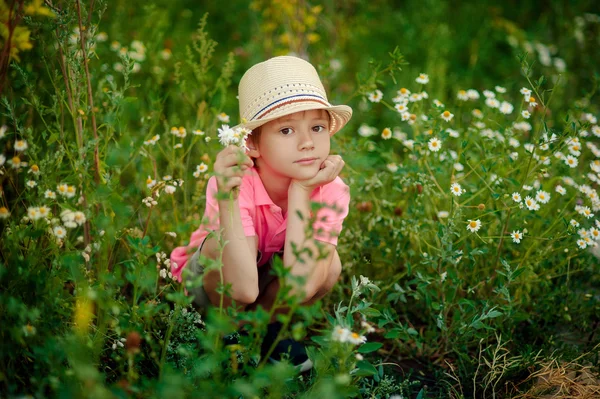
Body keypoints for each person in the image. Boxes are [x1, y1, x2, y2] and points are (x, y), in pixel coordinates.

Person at [170, 55, 352, 371]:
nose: (308, 142)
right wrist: (226, 196)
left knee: (329, 262)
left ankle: (270, 331)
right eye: (286, 131)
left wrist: (301, 193)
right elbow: (239, 288)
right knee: (218, 245)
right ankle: (225, 334)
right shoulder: (236, 181)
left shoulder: (330, 188)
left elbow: (297, 285)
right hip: (212, 289)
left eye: (317, 127)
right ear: (252, 143)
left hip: (267, 280)